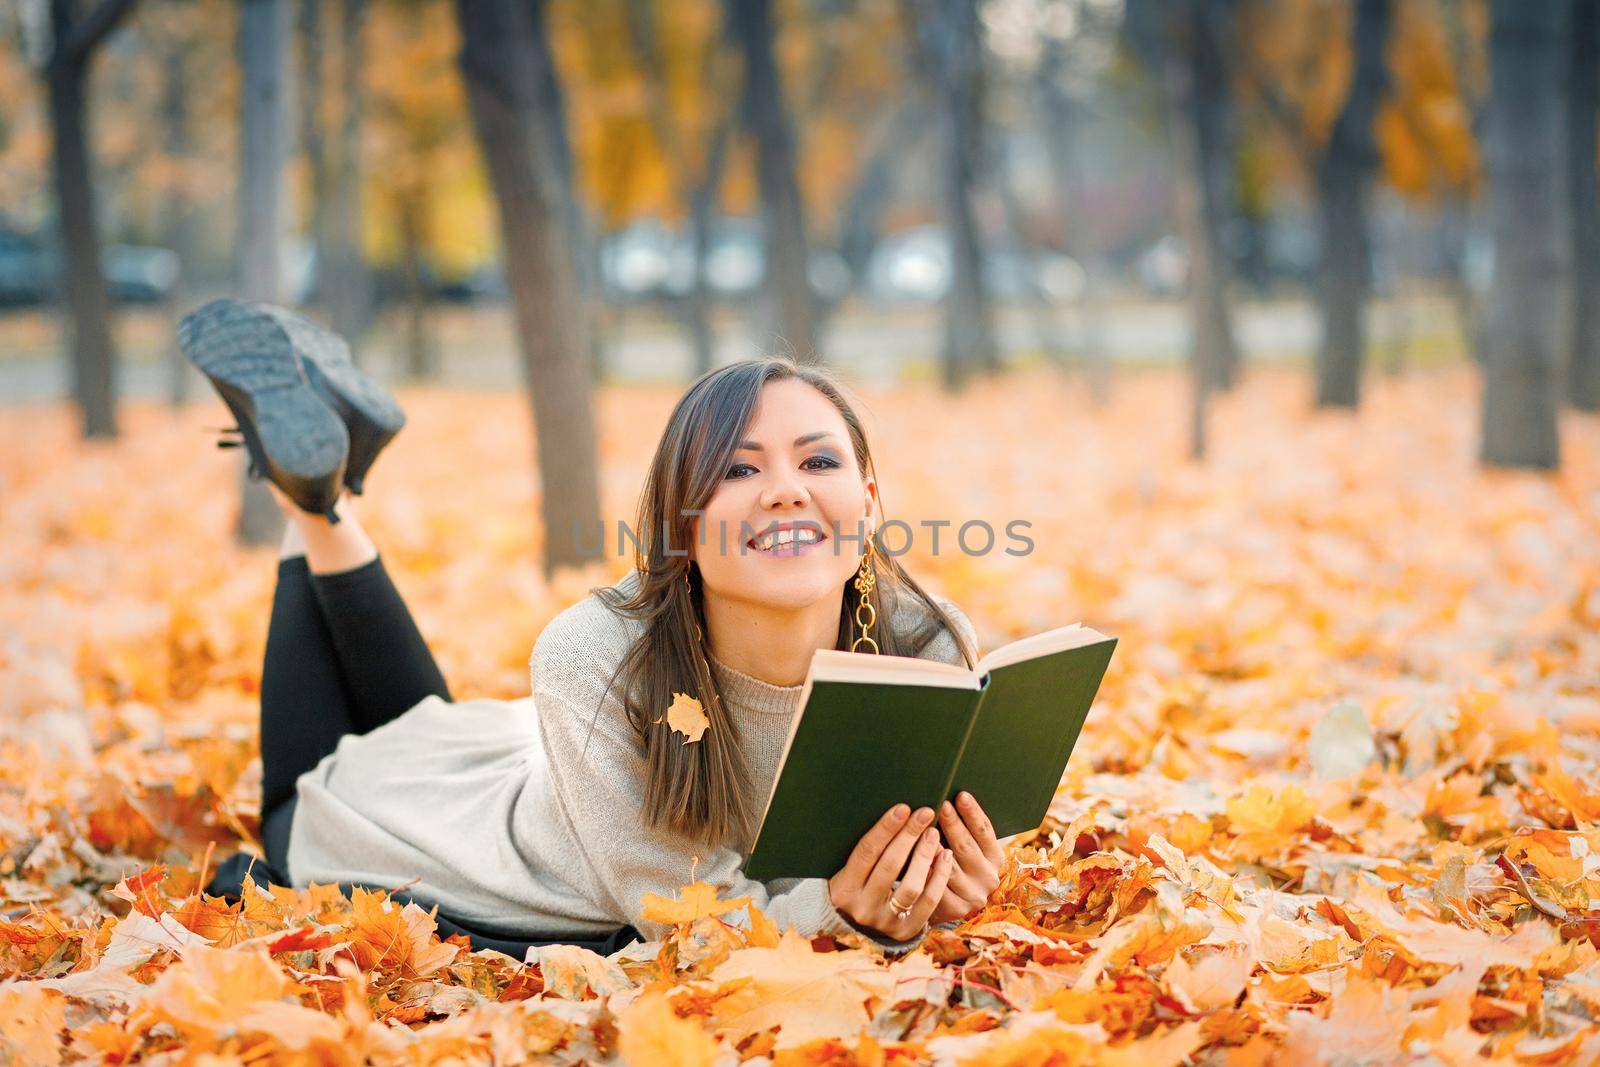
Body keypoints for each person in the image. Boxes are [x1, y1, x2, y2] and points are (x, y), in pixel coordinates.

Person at [184, 298, 1007, 956]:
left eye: (818, 461)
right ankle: (315, 495)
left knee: (419, 723)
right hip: (415, 831)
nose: (786, 489)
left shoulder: (929, 646)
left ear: (867, 501)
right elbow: (696, 926)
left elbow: (927, 858)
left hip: (497, 751)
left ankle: (321, 483)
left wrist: (953, 881)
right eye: (738, 468)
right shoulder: (598, 654)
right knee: (295, 807)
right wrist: (841, 915)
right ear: (684, 523)